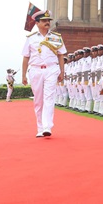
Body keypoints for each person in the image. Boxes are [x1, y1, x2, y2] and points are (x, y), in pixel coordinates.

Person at [21, 10, 66, 138]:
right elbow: (26, 57)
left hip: (51, 69)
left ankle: (47, 126)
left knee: (49, 98)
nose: (47, 23)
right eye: (44, 21)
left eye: (48, 21)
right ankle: (40, 128)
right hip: (35, 70)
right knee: (38, 100)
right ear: (37, 23)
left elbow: (61, 55)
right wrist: (23, 75)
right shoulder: (31, 38)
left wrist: (62, 72)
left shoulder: (56, 37)